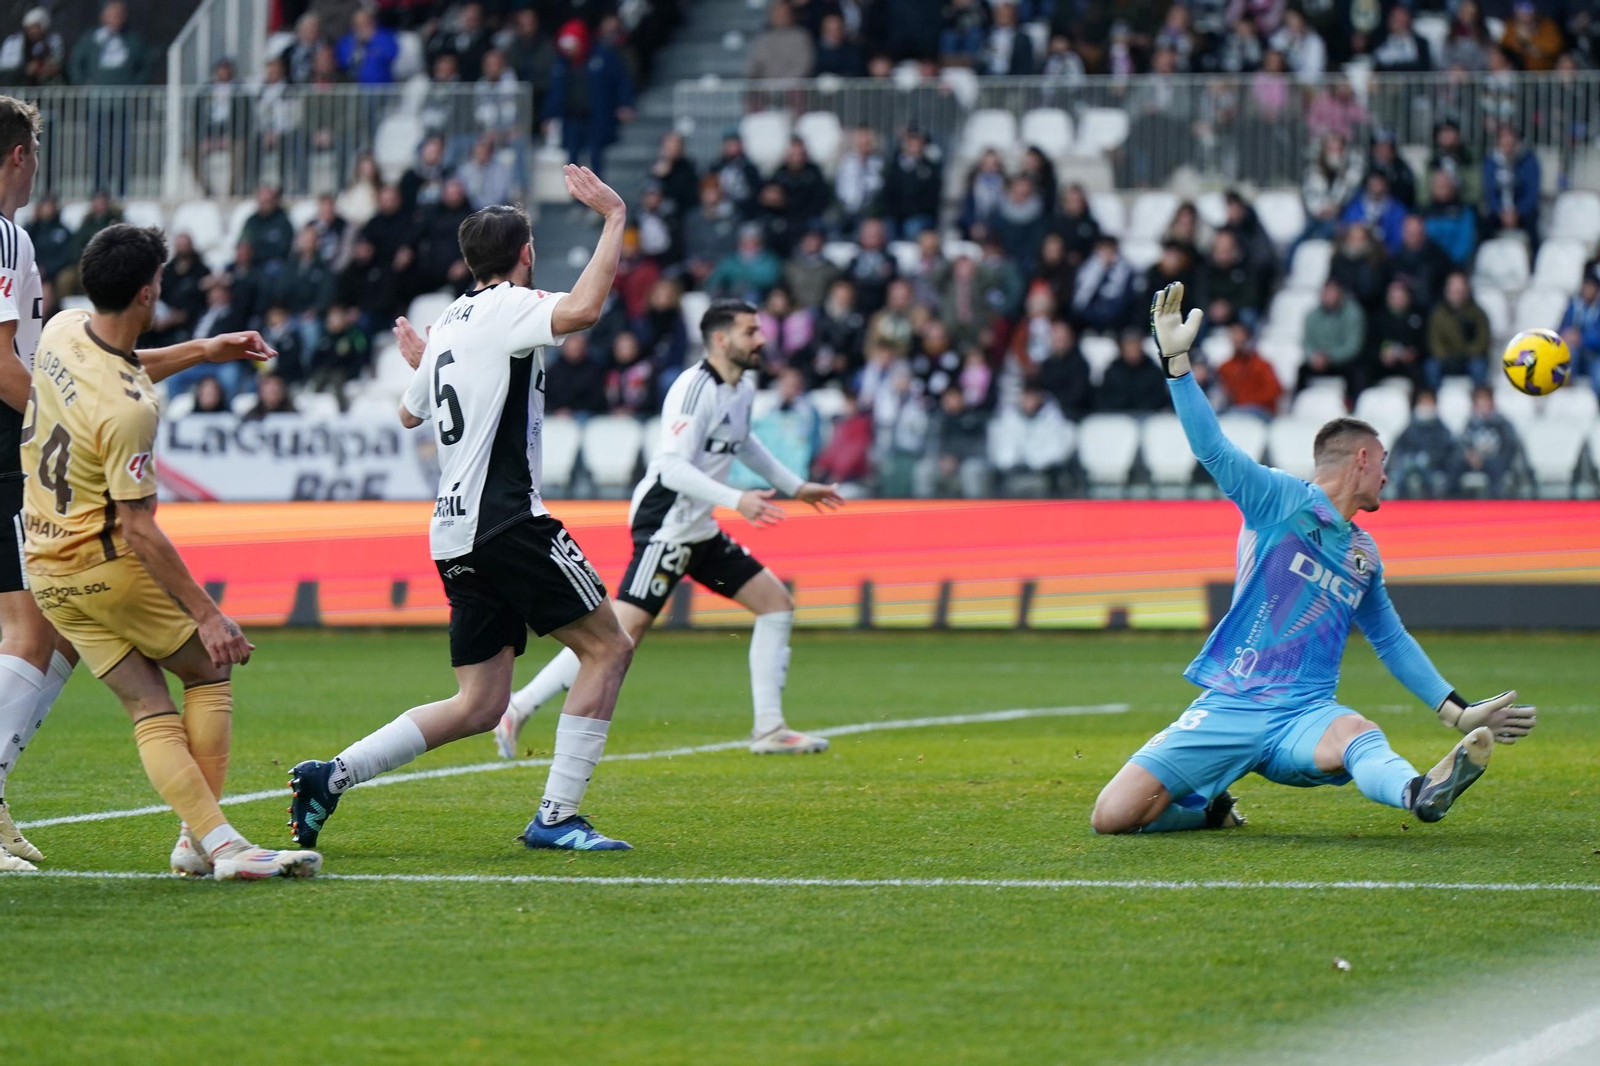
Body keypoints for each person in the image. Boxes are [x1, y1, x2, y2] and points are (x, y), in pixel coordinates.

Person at [1089, 282, 1536, 835]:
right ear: (1363, 458)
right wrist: (1177, 364)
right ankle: (1208, 811)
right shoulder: (1278, 499)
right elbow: (1213, 449)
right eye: (1383, 464)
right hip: (1233, 703)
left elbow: (1390, 640)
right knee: (1112, 818)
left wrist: (1456, 711)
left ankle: (1418, 790)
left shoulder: (1363, 553)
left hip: (1304, 715)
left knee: (1356, 733)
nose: (1387, 477)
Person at [289, 169, 639, 854]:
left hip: (454, 531)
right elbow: (585, 310)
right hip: (506, 517)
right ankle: (558, 815)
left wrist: (427, 359)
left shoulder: (451, 319)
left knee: (479, 704)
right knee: (608, 648)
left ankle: (331, 776)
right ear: (526, 254)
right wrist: (615, 218)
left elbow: (409, 409)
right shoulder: (512, 306)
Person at [22, 223, 312, 878]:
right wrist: (209, 614)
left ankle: (204, 842)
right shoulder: (132, 414)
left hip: (44, 566)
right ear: (149, 292)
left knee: (149, 706)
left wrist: (205, 350)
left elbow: (122, 366)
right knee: (209, 671)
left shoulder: (65, 330)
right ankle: (215, 843)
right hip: (103, 566)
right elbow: (139, 528)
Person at [496, 299, 845, 759]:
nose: (762, 339)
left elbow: (744, 443)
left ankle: (769, 728)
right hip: (667, 525)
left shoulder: (741, 387)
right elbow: (670, 469)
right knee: (617, 636)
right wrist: (736, 499)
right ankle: (516, 707)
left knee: (776, 605)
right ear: (721, 339)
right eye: (751, 332)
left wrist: (795, 486)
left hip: (697, 526)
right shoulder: (693, 388)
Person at [1299, 279, 1367, 395]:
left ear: (1340, 294)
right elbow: (1306, 342)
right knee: (1302, 370)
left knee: (1356, 372)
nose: (1329, 297)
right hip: (1318, 361)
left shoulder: (1352, 314)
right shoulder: (1312, 315)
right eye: (1326, 293)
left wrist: (1329, 356)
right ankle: (1297, 404)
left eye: (1333, 293)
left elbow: (1353, 346)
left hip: (1341, 361)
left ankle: (1351, 406)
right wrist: (1313, 357)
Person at [1390, 390, 1461, 498]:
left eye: (1428, 403)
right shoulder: (1410, 428)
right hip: (1410, 466)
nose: (1425, 407)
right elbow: (1398, 448)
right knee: (1403, 471)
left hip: (1434, 469)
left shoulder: (1442, 429)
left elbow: (1450, 453)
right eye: (1423, 403)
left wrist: (1430, 459)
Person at [1427, 271, 1492, 387]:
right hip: (1446, 360)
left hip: (1469, 359)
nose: (1457, 294)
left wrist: (1466, 355)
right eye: (1453, 290)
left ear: (1466, 290)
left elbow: (1482, 341)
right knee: (1431, 366)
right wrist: (1447, 357)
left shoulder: (1477, 313)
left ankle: (1480, 398)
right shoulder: (1438, 314)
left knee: (1479, 366)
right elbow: (1434, 341)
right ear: (1446, 291)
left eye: (1460, 290)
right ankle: (1432, 398)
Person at [1460, 386, 1524, 497]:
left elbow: (1509, 446)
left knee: (1495, 469)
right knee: (1455, 464)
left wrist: (1489, 460)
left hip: (1496, 461)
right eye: (1479, 400)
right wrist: (1470, 456)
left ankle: (1494, 503)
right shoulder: (1471, 423)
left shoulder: (1502, 423)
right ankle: (1451, 501)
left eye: (1485, 399)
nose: (1482, 403)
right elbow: (1463, 443)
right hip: (1474, 461)